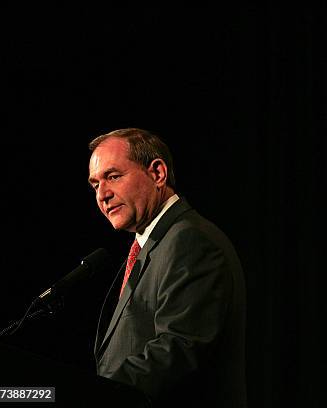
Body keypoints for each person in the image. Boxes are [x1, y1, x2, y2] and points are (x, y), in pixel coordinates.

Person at [88, 128, 246, 407]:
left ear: (157, 173)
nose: (103, 194)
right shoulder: (152, 244)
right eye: (95, 184)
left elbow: (179, 348)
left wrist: (92, 393)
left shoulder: (190, 240)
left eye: (113, 177)